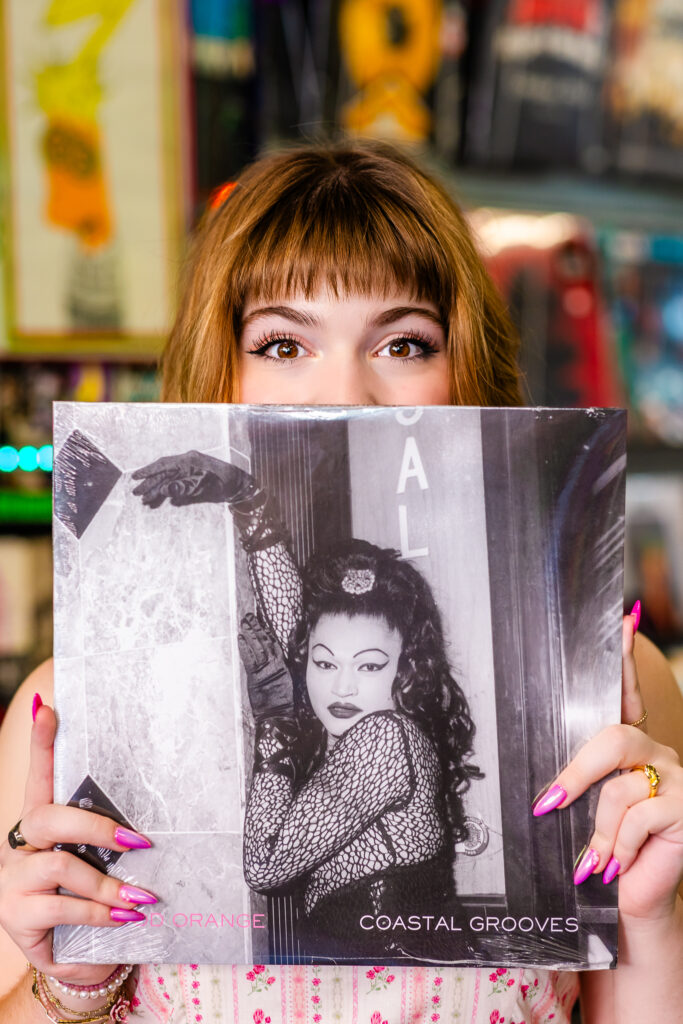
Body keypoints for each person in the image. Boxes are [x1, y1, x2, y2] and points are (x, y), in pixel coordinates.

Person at [0, 139, 682, 1023]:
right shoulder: (68, 711)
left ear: (465, 372)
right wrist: (72, 976)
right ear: (220, 371)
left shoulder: (615, 692)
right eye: (282, 342)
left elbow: (273, 861)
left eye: (403, 341)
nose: (345, 392)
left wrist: (652, 917)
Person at [133, 448, 484, 961]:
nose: (341, 688)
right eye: (325, 665)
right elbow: (297, 629)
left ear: (405, 671)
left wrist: (273, 722)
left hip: (412, 999)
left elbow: (267, 867)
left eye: (369, 666)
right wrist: (246, 499)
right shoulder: (358, 736)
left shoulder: (385, 739)